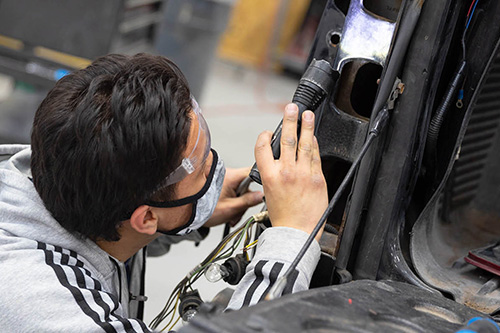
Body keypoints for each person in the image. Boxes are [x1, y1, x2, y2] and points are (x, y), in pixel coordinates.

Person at [0, 53, 328, 332]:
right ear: (145, 218)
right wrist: (292, 239)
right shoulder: (44, 307)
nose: (215, 169)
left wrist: (185, 217)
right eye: (201, 171)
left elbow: (114, 232)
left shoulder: (56, 173)